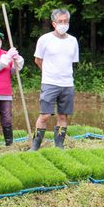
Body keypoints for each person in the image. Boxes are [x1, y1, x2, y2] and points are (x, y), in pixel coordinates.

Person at [32, 8, 79, 150]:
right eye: (60, 21)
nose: (63, 24)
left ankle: (59, 145)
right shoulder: (44, 39)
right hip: (50, 83)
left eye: (66, 21)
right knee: (45, 115)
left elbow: (72, 62)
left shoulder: (73, 41)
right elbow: (38, 60)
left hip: (67, 84)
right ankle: (35, 146)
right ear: (54, 23)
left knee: (63, 116)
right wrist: (48, 73)